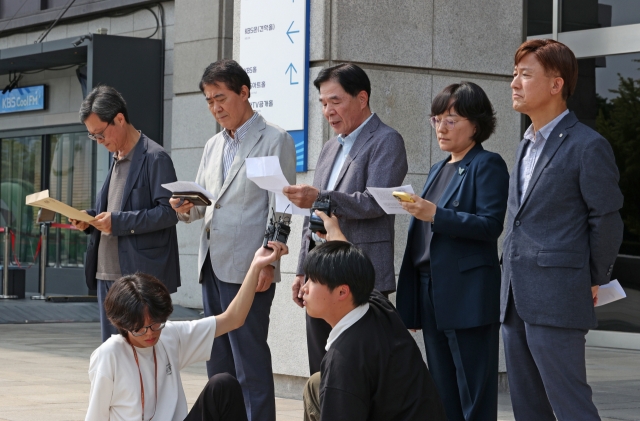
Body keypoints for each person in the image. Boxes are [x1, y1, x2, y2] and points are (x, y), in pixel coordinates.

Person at [501, 39, 624, 421]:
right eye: (514, 74)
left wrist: (593, 277)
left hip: (558, 295)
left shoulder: (588, 145)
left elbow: (606, 218)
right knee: (528, 407)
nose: (514, 83)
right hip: (513, 294)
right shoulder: (524, 145)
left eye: (525, 74)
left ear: (556, 85)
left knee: (570, 403)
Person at [170, 59, 296, 421]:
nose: (215, 107)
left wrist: (270, 263)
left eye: (221, 98)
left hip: (248, 268)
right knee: (219, 363)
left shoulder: (275, 139)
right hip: (211, 264)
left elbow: (281, 208)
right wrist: (183, 207)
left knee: (250, 362)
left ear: (245, 92)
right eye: (209, 101)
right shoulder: (213, 145)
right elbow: (204, 203)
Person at [283, 63, 408, 374]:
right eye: (323, 103)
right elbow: (314, 214)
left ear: (361, 98)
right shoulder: (329, 148)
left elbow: (374, 203)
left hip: (360, 276)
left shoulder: (387, 140)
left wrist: (321, 197)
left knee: (357, 371)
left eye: (335, 101)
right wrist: (302, 270)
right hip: (320, 277)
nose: (328, 111)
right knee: (321, 369)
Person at [395, 82, 509, 421]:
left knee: (474, 389)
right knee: (442, 386)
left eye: (452, 119)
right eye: (436, 119)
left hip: (468, 293)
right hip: (431, 289)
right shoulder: (437, 168)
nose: (441, 128)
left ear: (476, 124)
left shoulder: (487, 164)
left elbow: (490, 225)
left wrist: (436, 214)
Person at [85, 241, 288, 421]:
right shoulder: (109, 355)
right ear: (123, 323)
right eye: (140, 328)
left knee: (223, 385)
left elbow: (233, 319)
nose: (150, 333)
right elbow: (96, 416)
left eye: (156, 324)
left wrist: (255, 267)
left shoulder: (170, 335)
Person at [300, 211, 447, 421]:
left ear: (342, 292)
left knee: (323, 385)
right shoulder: (378, 306)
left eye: (312, 281)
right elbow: (355, 272)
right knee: (316, 384)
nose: (304, 289)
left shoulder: (343, 359)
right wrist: (335, 233)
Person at [71, 85, 180, 343]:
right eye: (93, 137)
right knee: (114, 352)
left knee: (141, 351)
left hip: (137, 279)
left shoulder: (155, 158)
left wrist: (118, 222)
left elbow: (168, 213)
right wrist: (89, 219)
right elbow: (112, 210)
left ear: (119, 119)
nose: (99, 142)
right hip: (106, 274)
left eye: (99, 134)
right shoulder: (116, 159)